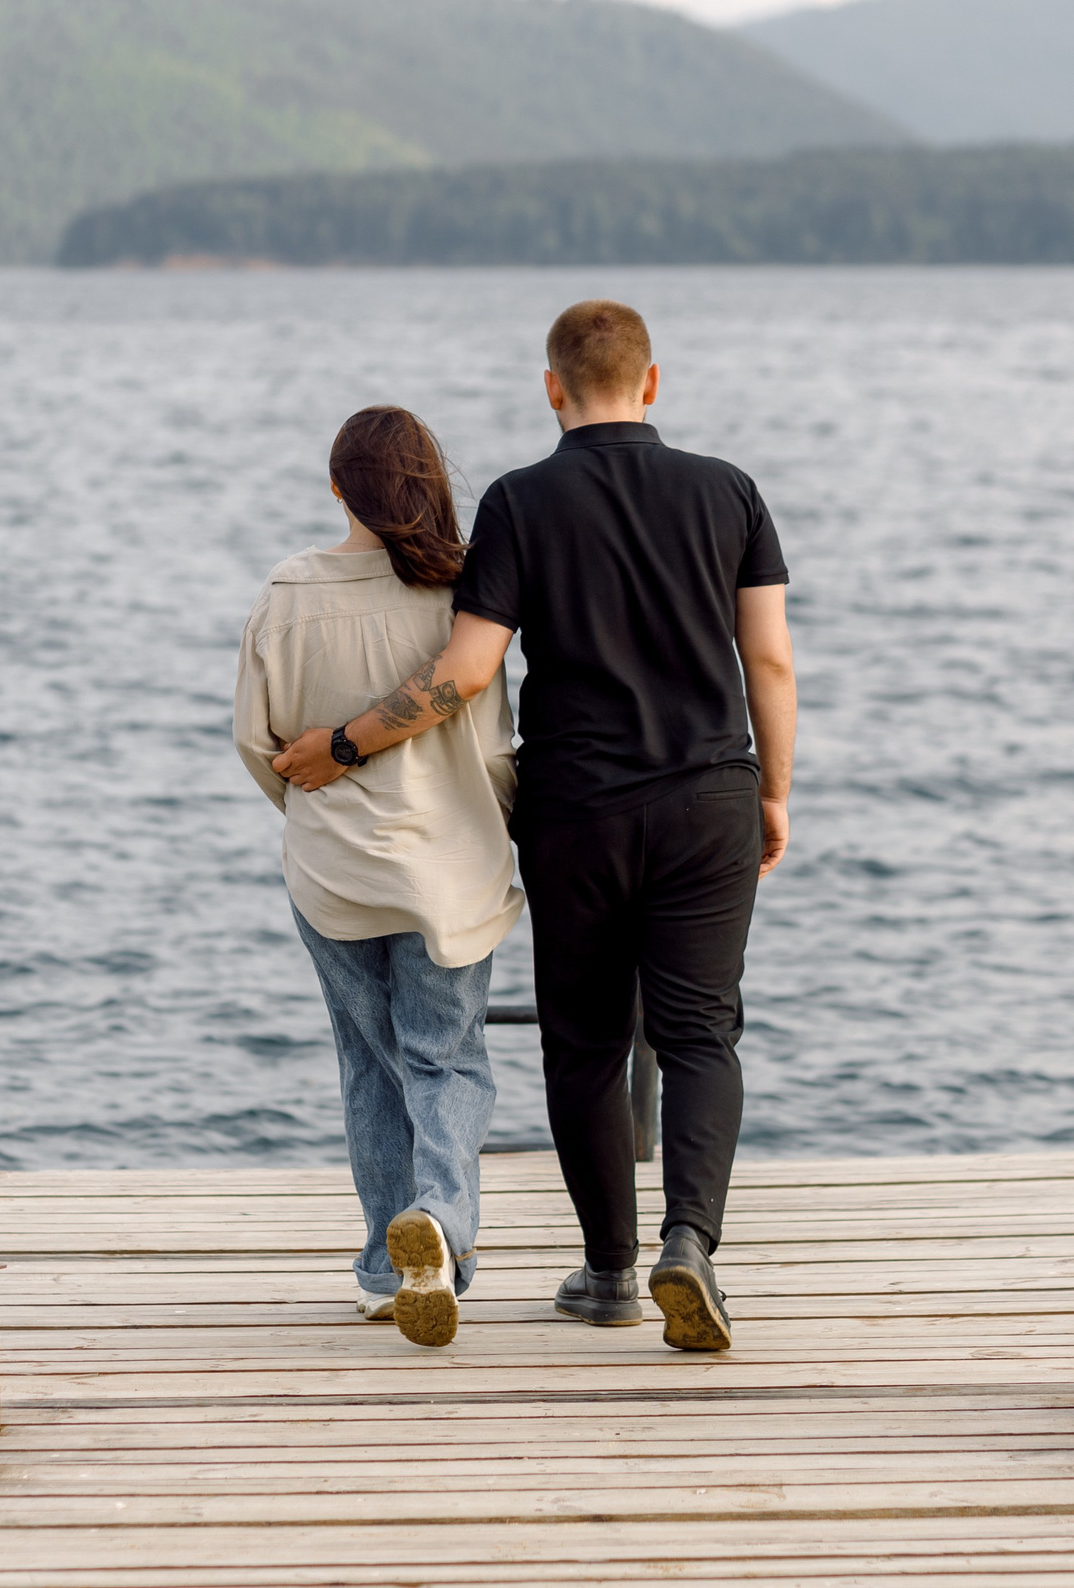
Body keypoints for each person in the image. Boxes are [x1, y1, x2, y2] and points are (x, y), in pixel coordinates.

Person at [273, 300, 796, 1353]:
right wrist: (773, 793)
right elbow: (770, 660)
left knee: (587, 1045)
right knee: (698, 1035)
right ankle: (688, 1242)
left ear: (551, 388)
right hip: (708, 799)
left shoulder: (519, 502)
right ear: (651, 383)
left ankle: (608, 1272)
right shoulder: (729, 491)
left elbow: (466, 672)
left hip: (576, 812)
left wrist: (340, 744)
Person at [234, 405, 523, 1350]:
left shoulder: (286, 591)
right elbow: (490, 751)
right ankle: (437, 1225)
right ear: (428, 482)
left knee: (368, 1059)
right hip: (445, 867)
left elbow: (256, 741)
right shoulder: (461, 593)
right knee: (445, 1055)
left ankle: (377, 1267)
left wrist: (316, 815)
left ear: (335, 488)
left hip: (331, 873)